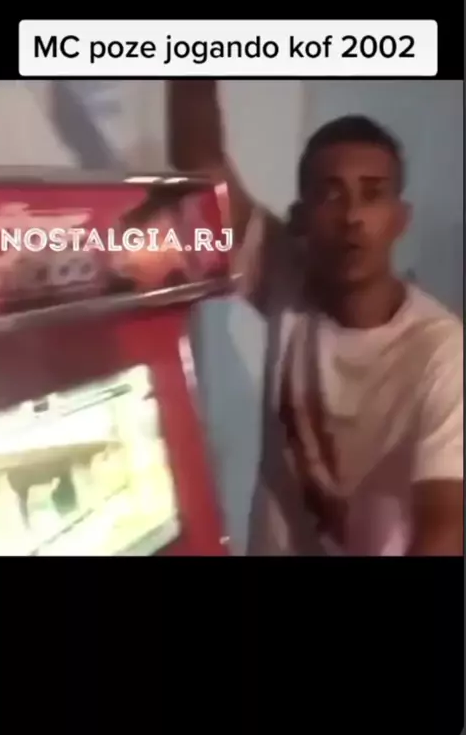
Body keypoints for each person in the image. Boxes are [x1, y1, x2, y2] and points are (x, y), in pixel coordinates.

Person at [169, 81, 464, 556]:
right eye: (331, 195)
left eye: (372, 195)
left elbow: (444, 526)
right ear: (301, 217)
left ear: (400, 218)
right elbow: (198, 172)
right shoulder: (287, 277)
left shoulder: (443, 351)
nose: (352, 217)